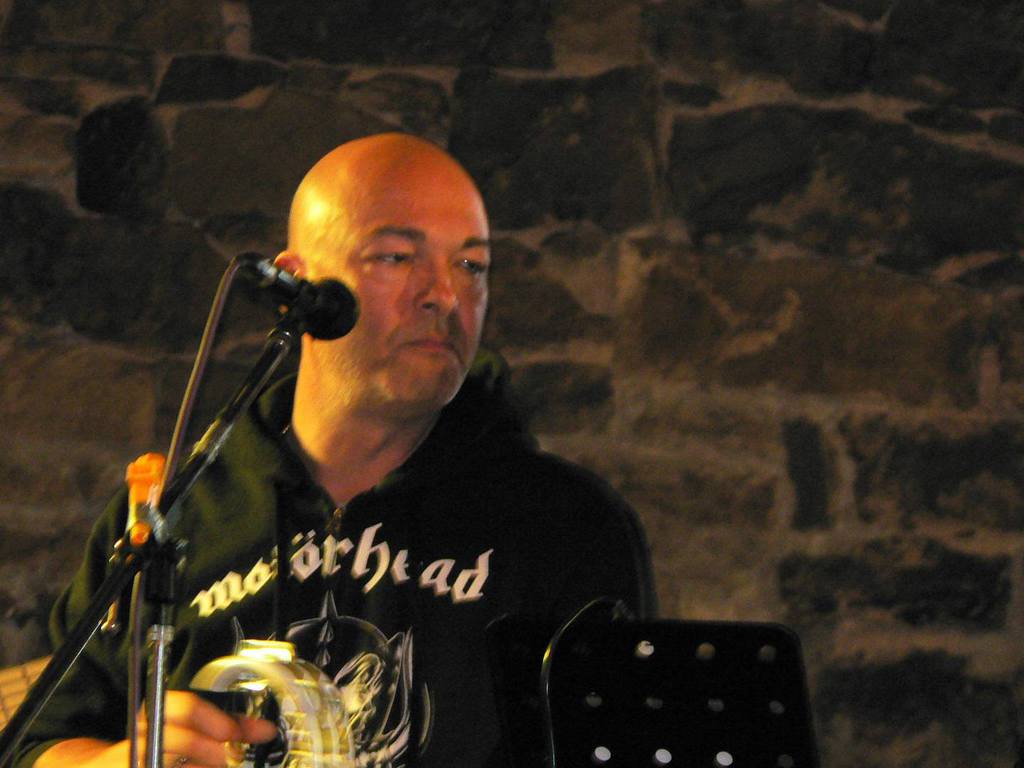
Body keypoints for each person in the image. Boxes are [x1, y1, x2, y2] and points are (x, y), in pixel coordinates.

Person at [14, 133, 655, 768]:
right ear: (296, 285)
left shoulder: (565, 525)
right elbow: (38, 744)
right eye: (396, 256)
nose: (444, 293)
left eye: (471, 265)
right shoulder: (172, 511)